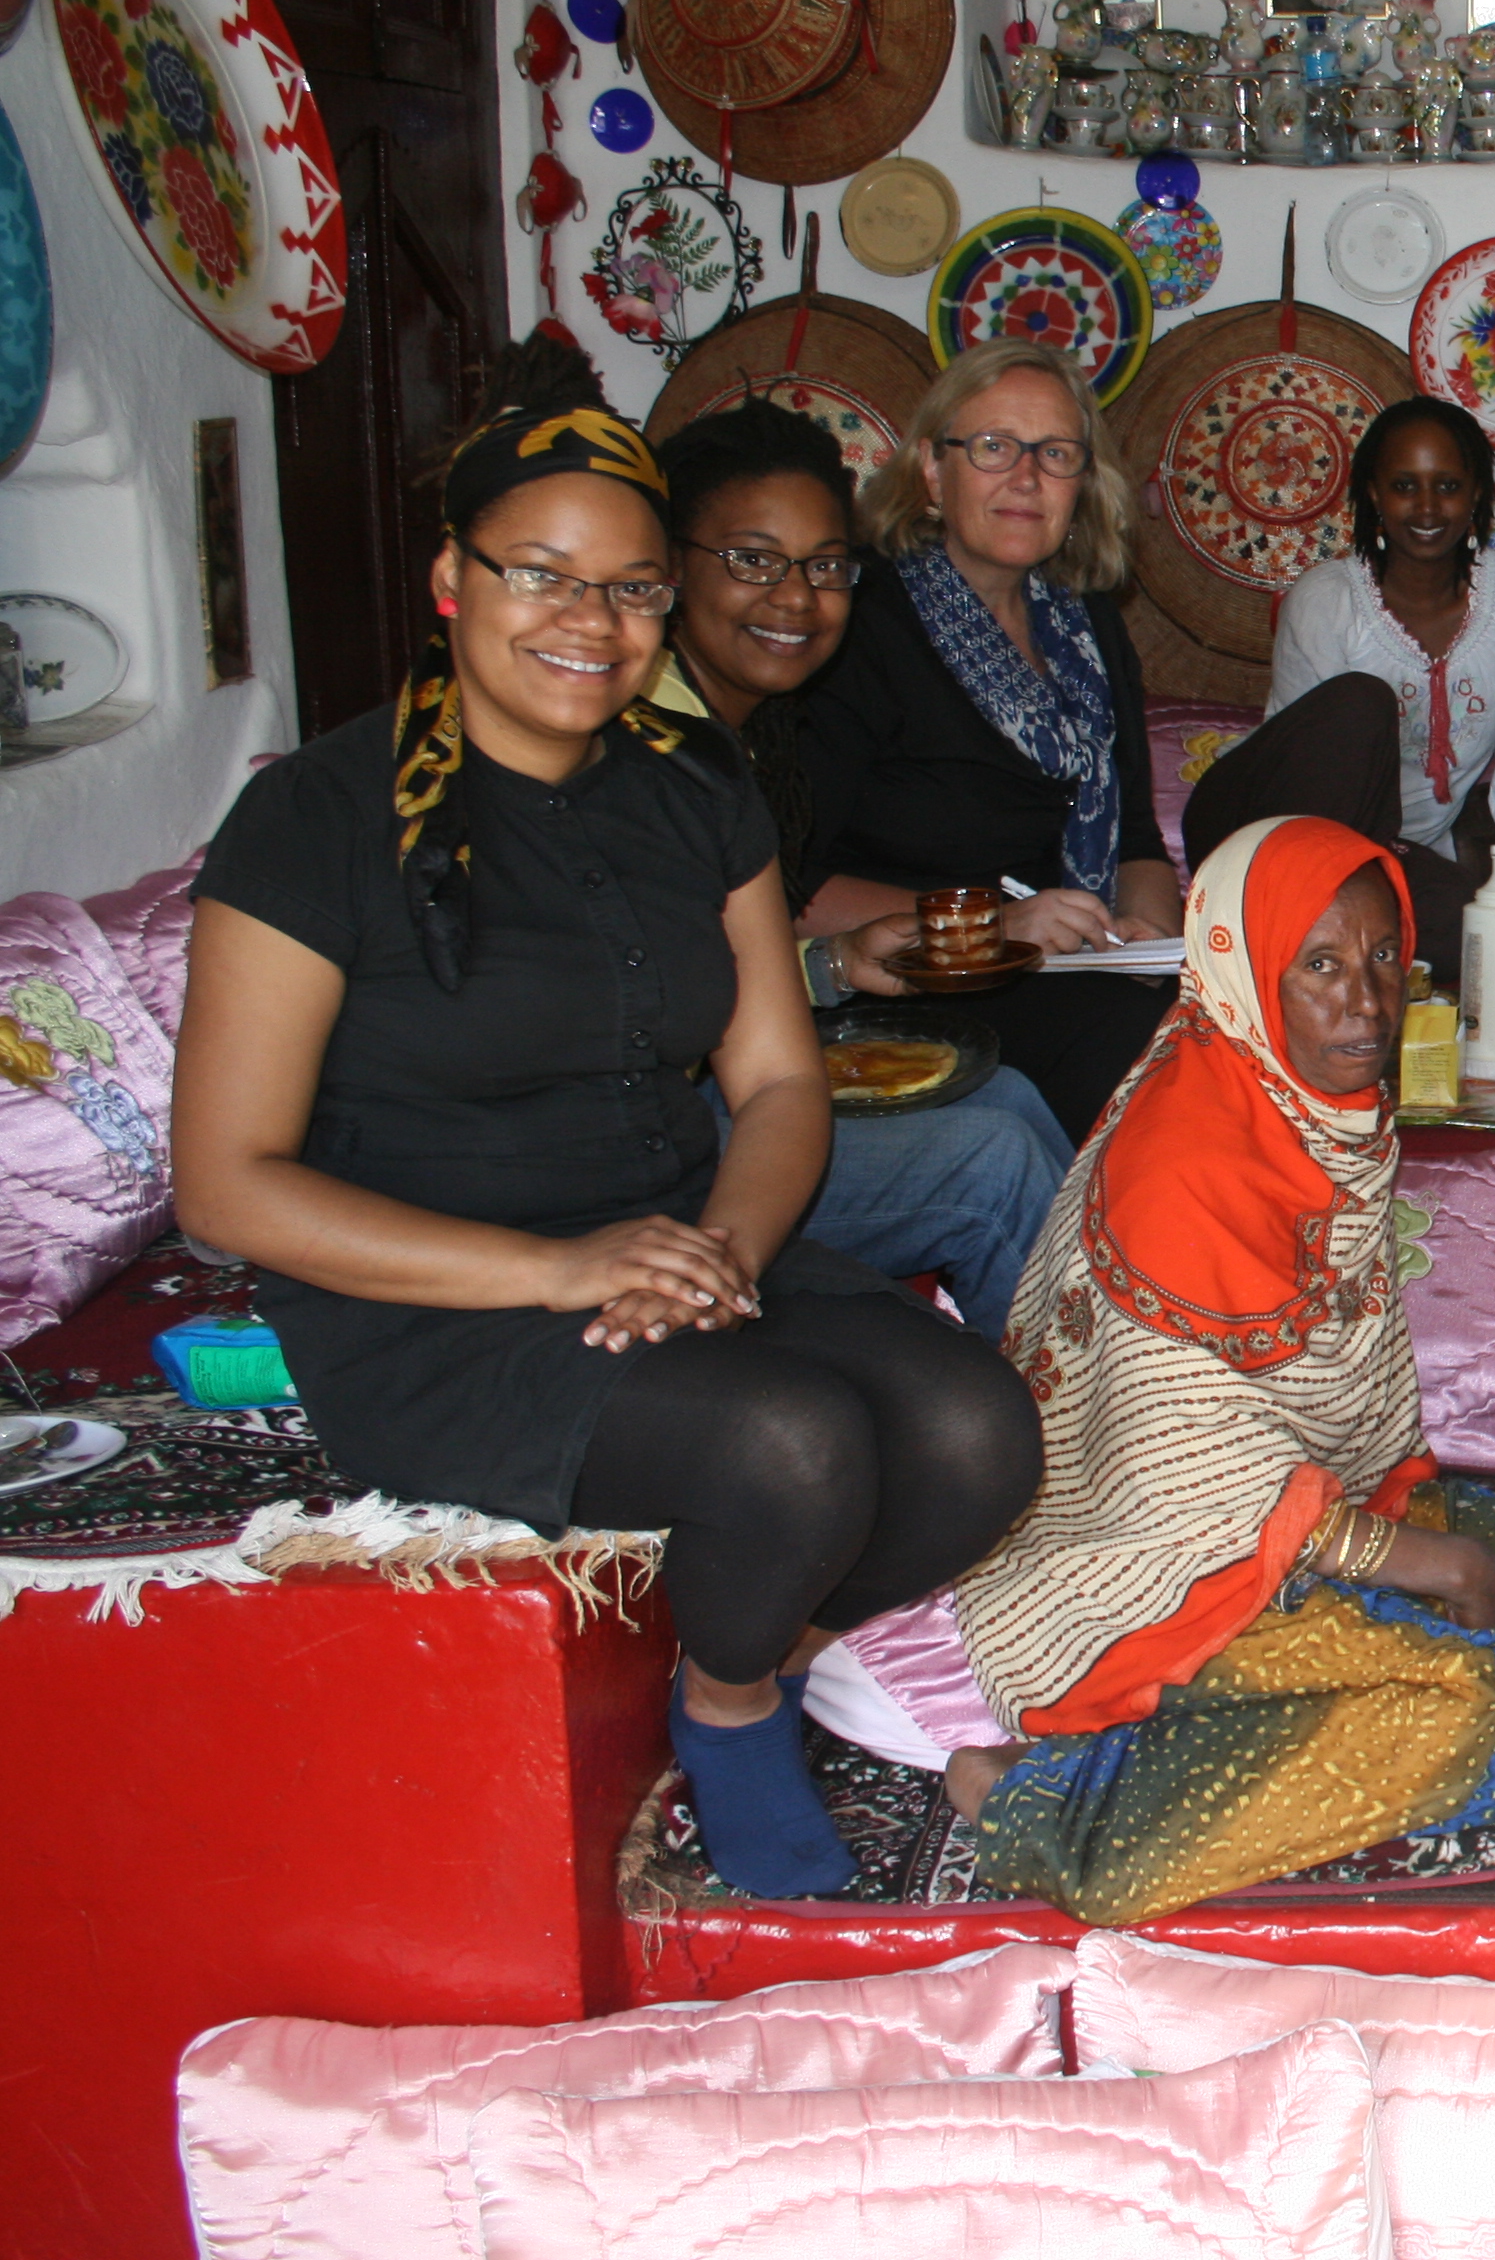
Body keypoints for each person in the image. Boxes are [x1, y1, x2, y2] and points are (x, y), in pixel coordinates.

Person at [170, 338, 1041, 1904]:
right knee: (795, 1443)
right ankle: (735, 1704)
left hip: (678, 1238)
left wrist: (725, 1249)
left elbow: (778, 1083)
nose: (592, 620)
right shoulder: (315, 817)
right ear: (454, 581)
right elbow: (227, 1186)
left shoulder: (694, 786)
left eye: (632, 589)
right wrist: (563, 1270)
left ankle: (769, 1636)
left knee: (981, 1430)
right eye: (544, 576)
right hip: (436, 1297)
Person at [803, 818, 1495, 1923]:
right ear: (1243, 970)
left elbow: (1325, 1392)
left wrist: (1441, 1554)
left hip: (1269, 1522)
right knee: (1487, 1723)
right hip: (1129, 1576)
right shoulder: (1186, 1162)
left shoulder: (1286, 1099)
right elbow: (1196, 1467)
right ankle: (1036, 1801)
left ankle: (1244, 1704)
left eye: (1385, 957)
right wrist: (1439, 1568)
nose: (1366, 1003)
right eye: (1320, 966)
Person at [651, 399, 1073, 1340]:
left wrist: (836, 963)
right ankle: (1093, 1412)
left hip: (709, 1089)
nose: (795, 598)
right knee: (994, 1162)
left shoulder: (748, 735)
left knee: (1004, 1091)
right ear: (672, 567)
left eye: (825, 566)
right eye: (753, 560)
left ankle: (1132, 1377)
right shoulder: (658, 747)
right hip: (643, 1142)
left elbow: (708, 972)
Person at [791, 340, 1182, 1143]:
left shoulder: (1090, 627)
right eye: (995, 447)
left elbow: (1138, 841)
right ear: (933, 473)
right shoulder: (859, 622)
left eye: (1056, 453)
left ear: (1082, 484)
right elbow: (789, 887)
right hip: (912, 989)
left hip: (1075, 974)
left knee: (1225, 1022)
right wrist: (993, 927)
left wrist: (1143, 942)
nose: (1027, 477)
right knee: (1138, 1048)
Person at [1177, 398, 1495, 980]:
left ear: (1476, 495)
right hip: (1263, 833)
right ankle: (1284, 924)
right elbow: (1306, 777)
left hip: (1382, 853)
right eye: (1404, 486)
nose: (1427, 507)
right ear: (1373, 494)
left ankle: (1347, 919)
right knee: (1362, 702)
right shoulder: (1326, 600)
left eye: (1448, 486)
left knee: (1487, 938)